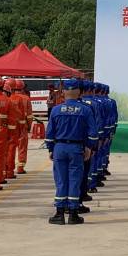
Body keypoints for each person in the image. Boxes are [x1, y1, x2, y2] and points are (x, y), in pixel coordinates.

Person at [45, 78, 97, 225]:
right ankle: (73, 214)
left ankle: (59, 214)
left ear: (63, 92)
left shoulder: (56, 110)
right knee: (75, 180)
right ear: (79, 92)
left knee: (61, 180)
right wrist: (89, 147)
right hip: (76, 148)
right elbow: (93, 133)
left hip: (60, 148)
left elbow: (49, 133)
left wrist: (50, 149)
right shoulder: (85, 110)